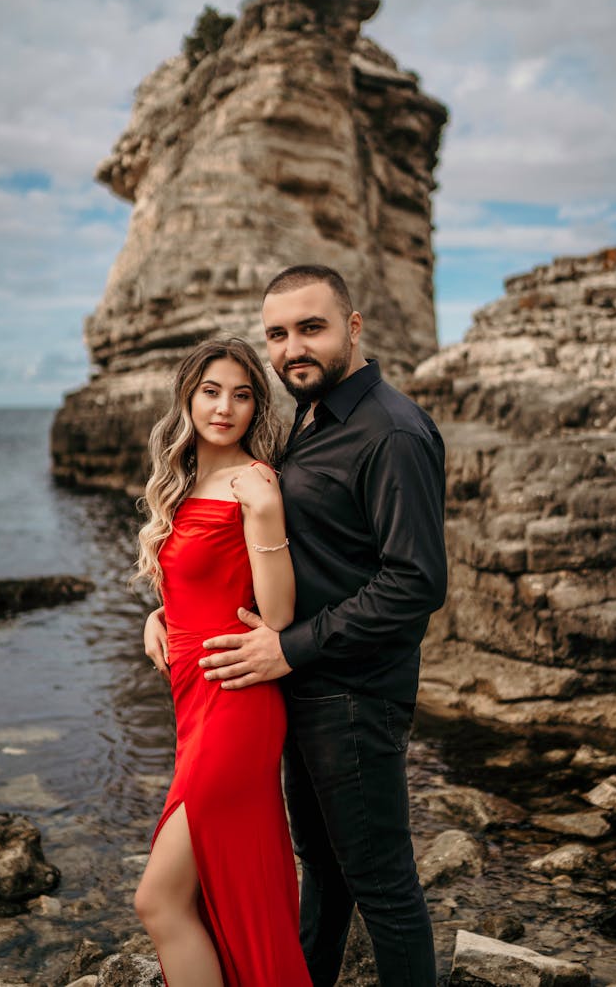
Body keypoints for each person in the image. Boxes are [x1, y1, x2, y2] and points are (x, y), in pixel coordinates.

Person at [194, 264, 447, 986]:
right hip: (302, 686)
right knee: (325, 875)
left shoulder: (392, 433)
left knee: (384, 889)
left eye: (311, 328)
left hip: (353, 696)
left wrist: (288, 648)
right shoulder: (304, 418)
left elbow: (416, 582)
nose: (291, 349)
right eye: (276, 334)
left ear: (354, 326)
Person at [133, 337, 312, 987]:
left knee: (158, 899)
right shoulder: (184, 481)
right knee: (206, 894)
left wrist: (266, 515)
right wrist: (160, 619)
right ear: (189, 396)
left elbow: (279, 615)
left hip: (237, 703)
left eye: (242, 395)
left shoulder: (253, 482)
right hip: (193, 704)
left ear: (255, 406)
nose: (225, 407)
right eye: (212, 391)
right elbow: (195, 585)